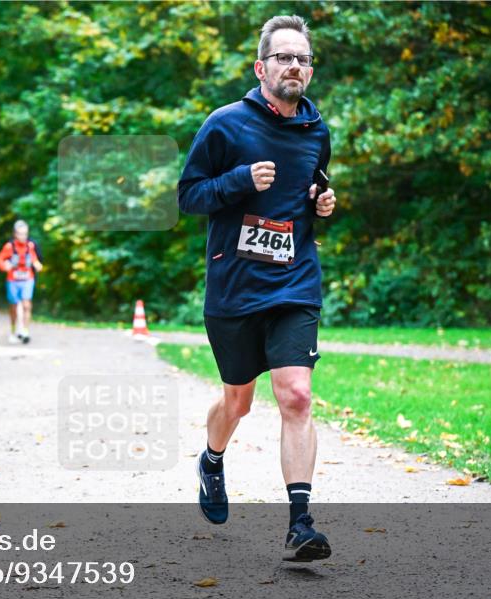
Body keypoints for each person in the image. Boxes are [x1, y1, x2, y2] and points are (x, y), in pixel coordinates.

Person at [177, 14, 337, 562]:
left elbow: (311, 189)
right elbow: (189, 196)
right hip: (235, 287)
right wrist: (240, 181)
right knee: (238, 401)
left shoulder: (317, 131)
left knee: (295, 394)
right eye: (284, 57)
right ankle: (212, 459)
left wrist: (322, 203)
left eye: (303, 58)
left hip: (294, 282)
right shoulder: (225, 125)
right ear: (261, 66)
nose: (294, 65)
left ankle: (301, 524)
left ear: (310, 69)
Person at [0, 220, 43, 344]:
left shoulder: (30, 246)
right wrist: (4, 267)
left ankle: (25, 331)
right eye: (20, 234)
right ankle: (13, 330)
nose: (23, 237)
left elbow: (34, 259)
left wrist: (37, 265)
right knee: (14, 307)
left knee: (26, 304)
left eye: (25, 234)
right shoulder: (9, 246)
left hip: (27, 279)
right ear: (15, 234)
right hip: (13, 280)